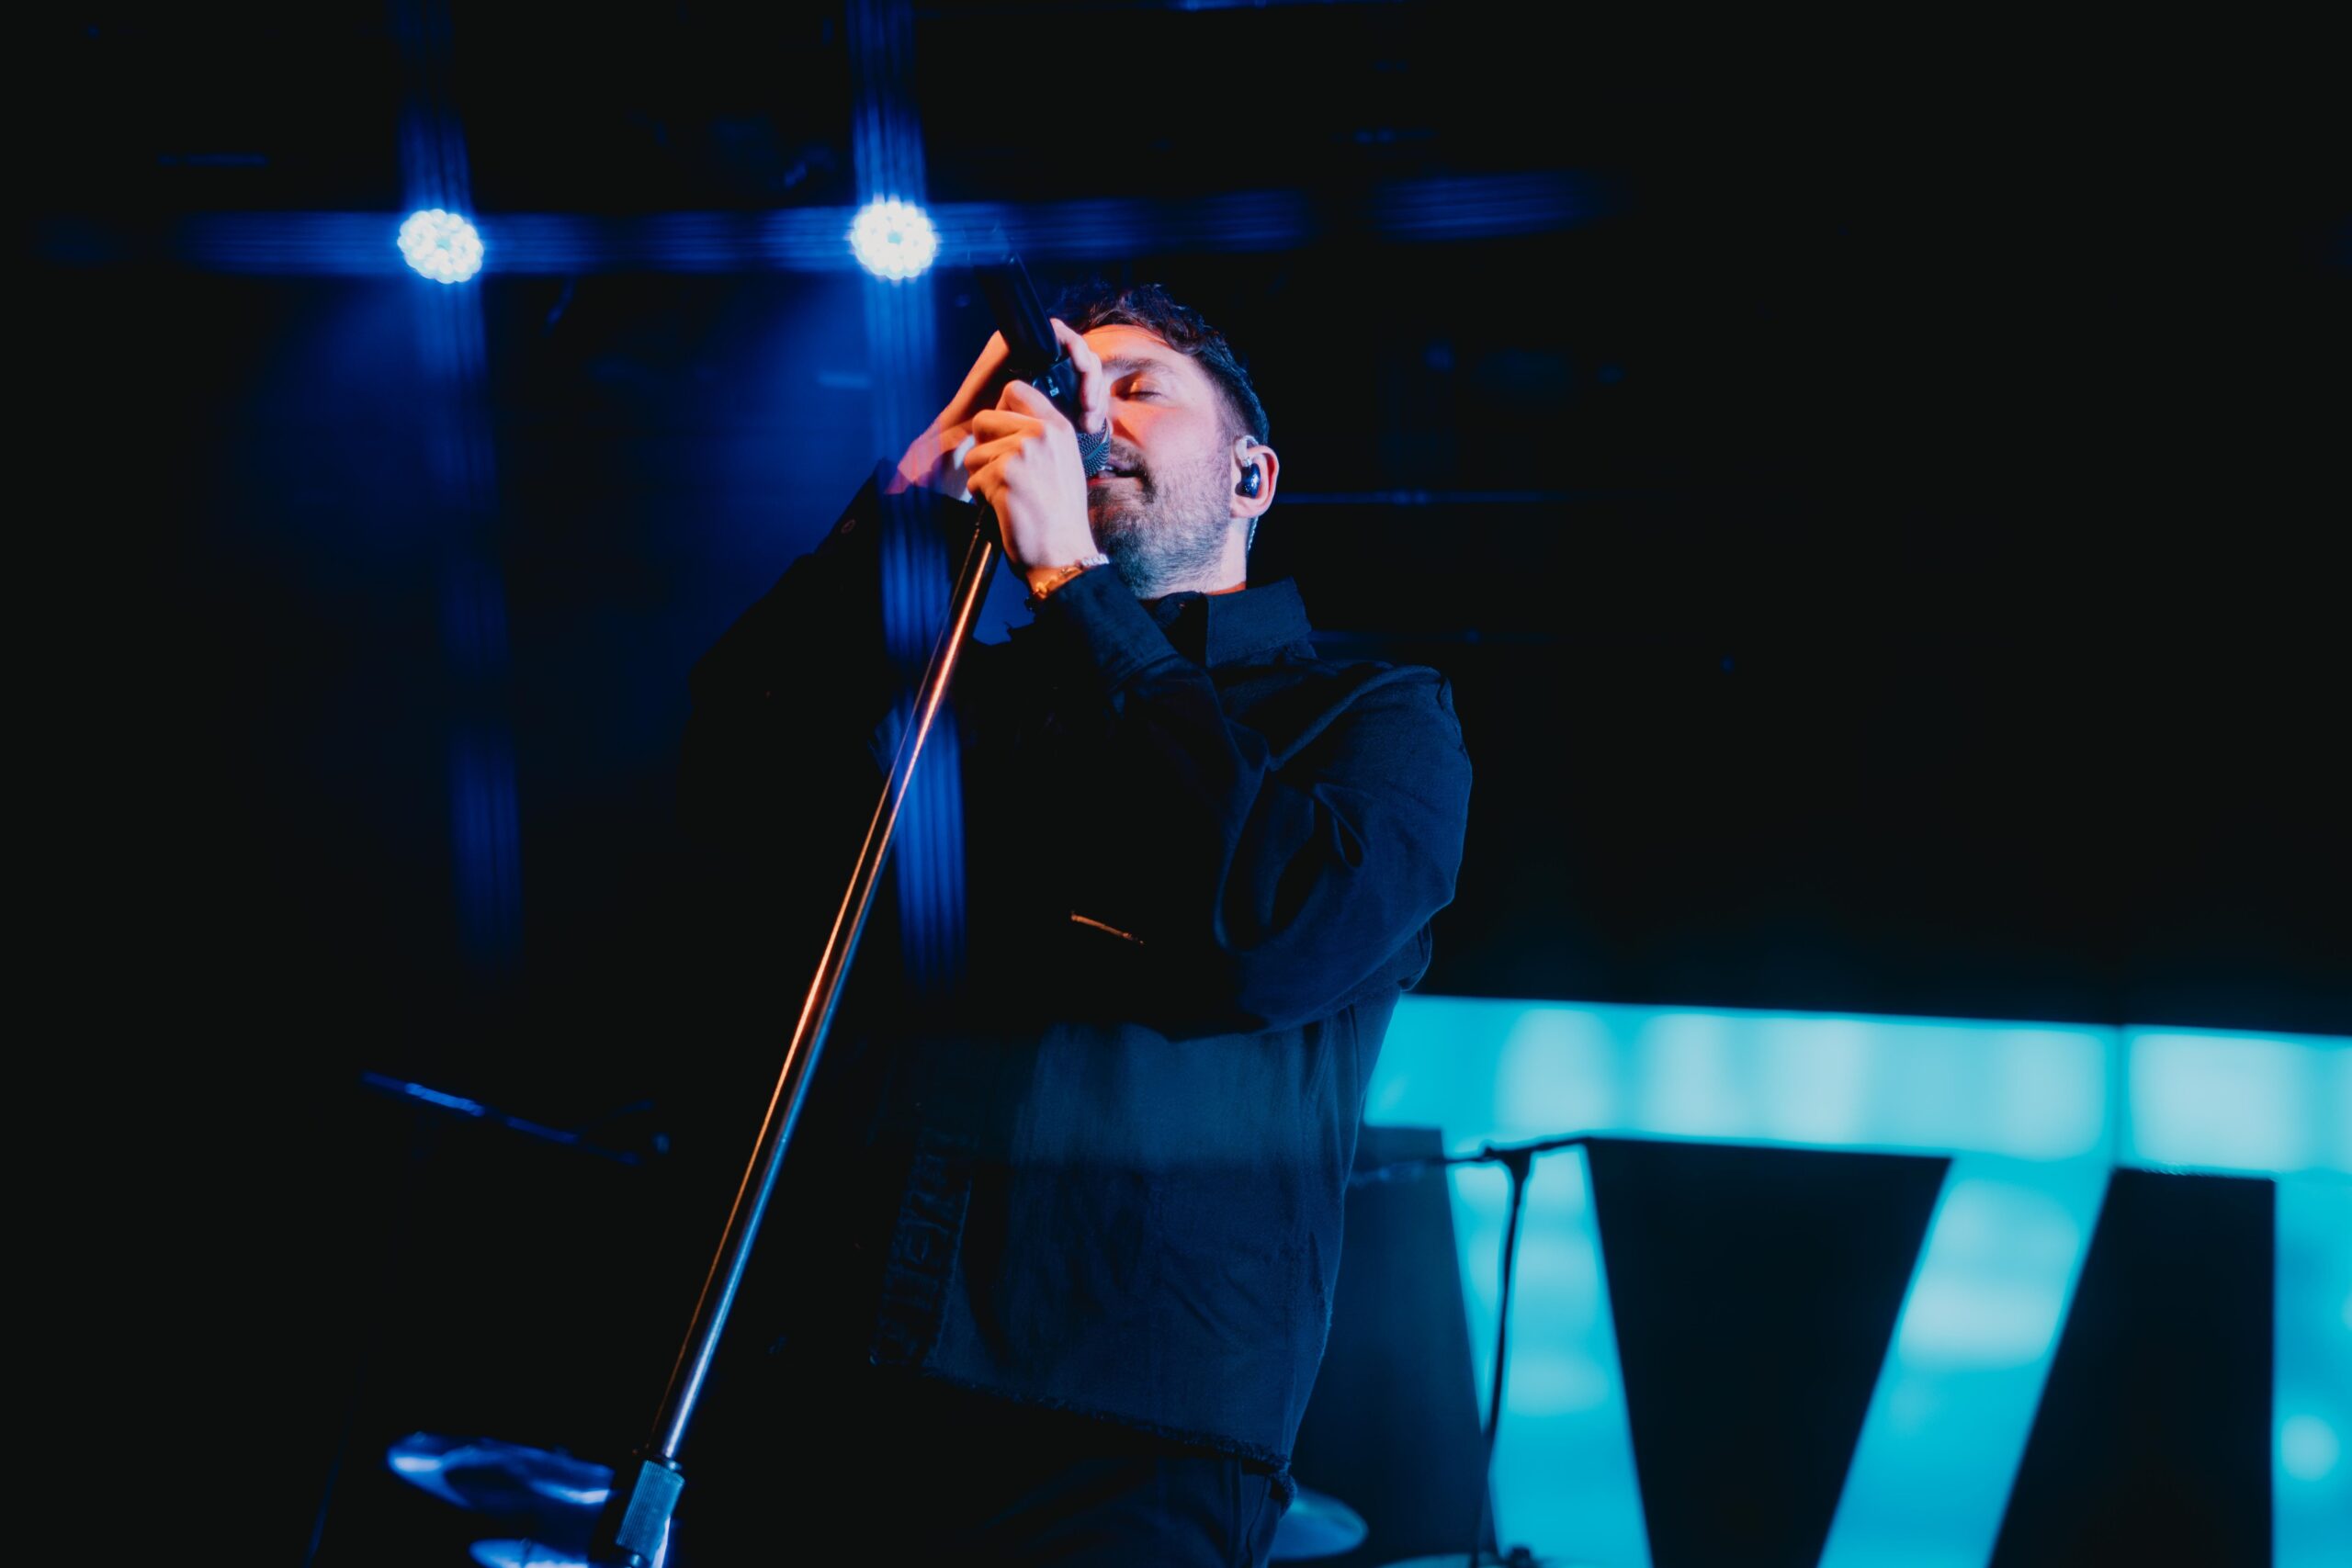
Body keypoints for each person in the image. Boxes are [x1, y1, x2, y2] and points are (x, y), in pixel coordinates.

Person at [675, 282, 1472, 1565]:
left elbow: (1266, 927)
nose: (1090, 418)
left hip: (1122, 1437)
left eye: (1139, 388)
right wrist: (915, 503)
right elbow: (734, 774)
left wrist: (1073, 582)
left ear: (1252, 476)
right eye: (1071, 393)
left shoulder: (1372, 719)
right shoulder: (965, 706)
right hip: (828, 1389)